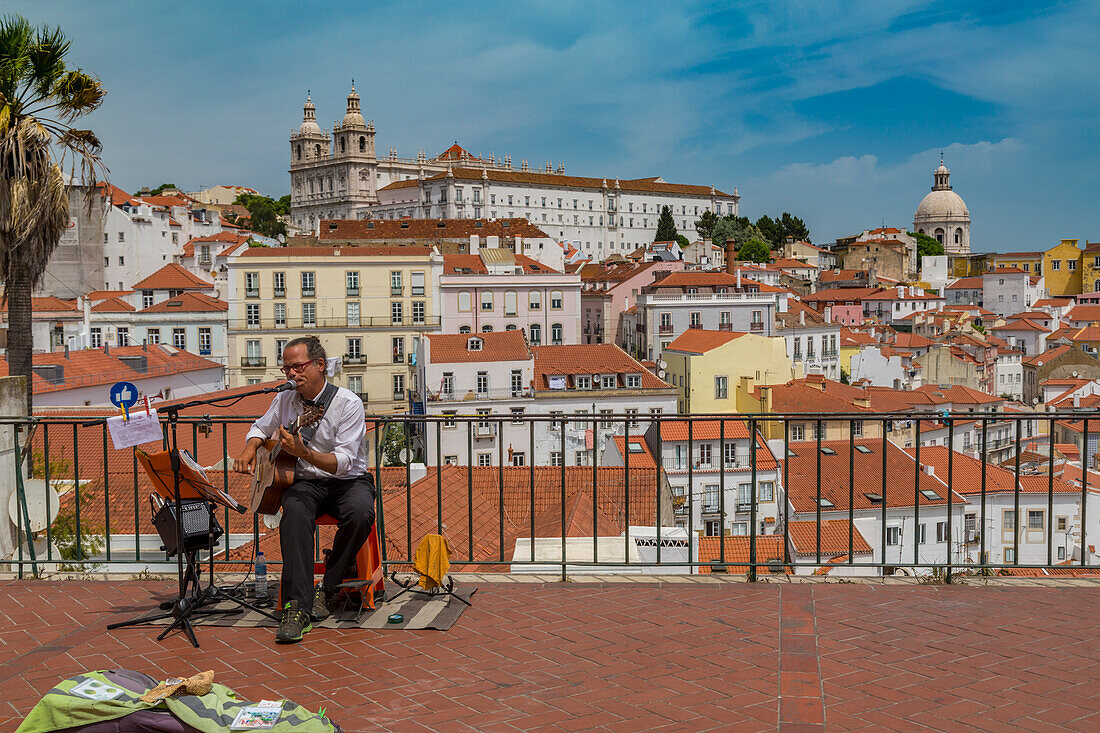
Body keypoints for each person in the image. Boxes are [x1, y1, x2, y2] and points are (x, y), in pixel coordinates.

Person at [234, 336, 375, 643]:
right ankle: (297, 607)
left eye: (297, 367)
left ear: (319, 365)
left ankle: (328, 586)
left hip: (346, 481)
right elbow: (260, 427)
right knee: (294, 515)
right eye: (286, 369)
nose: (291, 375)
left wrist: (303, 452)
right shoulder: (285, 399)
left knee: (361, 512)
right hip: (305, 482)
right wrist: (249, 449)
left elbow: (343, 462)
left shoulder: (348, 404)